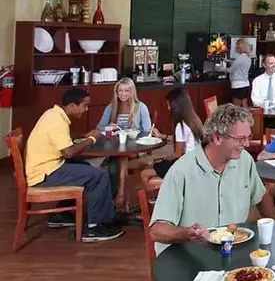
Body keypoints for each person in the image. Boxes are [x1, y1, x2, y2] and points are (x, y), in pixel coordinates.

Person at [149, 104, 275, 252]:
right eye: (240, 139)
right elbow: (157, 230)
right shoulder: (181, 171)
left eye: (248, 138)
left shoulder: (245, 161)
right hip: (188, 257)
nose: (246, 144)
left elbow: (261, 197)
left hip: (230, 252)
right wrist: (187, 234)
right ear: (217, 138)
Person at [25, 88, 123, 242]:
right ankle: (94, 227)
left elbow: (63, 141)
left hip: (46, 167)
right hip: (45, 173)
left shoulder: (54, 115)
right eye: (84, 105)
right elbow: (68, 152)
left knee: (86, 167)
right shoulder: (56, 121)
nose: (86, 109)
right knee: (99, 175)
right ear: (72, 105)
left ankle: (60, 214)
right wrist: (91, 139)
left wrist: (83, 137)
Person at [97, 77, 153, 207]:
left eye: (127, 91)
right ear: (116, 92)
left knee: (116, 161)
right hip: (116, 149)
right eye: (120, 91)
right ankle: (117, 198)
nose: (123, 94)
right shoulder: (111, 108)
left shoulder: (141, 107)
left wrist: (134, 134)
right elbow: (99, 128)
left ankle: (118, 195)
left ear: (132, 92)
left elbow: (147, 131)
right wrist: (109, 127)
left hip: (137, 149)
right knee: (116, 161)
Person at [141, 88, 203, 180]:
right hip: (196, 162)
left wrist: (164, 158)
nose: (168, 108)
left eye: (169, 105)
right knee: (156, 164)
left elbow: (177, 154)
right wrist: (161, 136)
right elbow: (181, 140)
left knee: (144, 174)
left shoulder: (181, 126)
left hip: (185, 165)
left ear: (175, 106)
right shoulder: (194, 120)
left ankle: (160, 193)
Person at [224, 38, 253, 107]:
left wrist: (220, 68)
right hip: (246, 85)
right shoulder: (248, 57)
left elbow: (231, 70)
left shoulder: (240, 57)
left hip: (238, 85)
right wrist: (228, 61)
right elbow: (239, 64)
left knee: (236, 108)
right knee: (244, 107)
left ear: (239, 47)